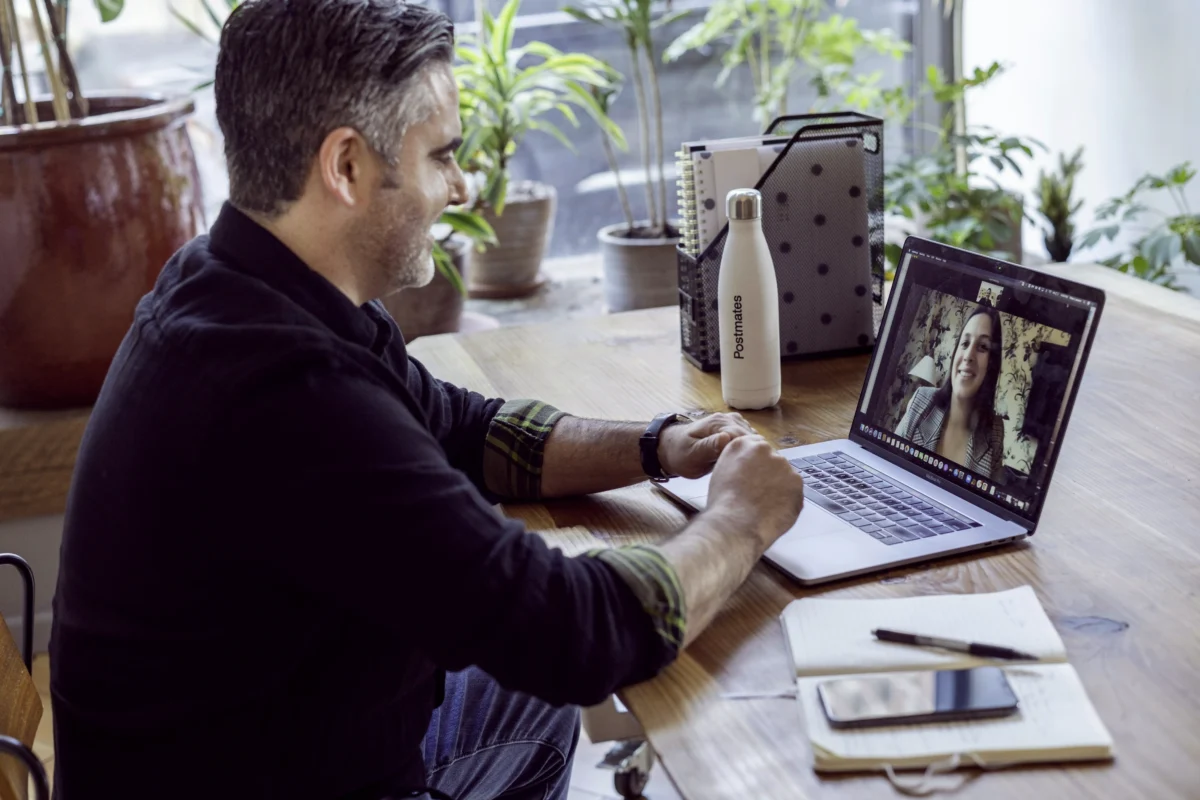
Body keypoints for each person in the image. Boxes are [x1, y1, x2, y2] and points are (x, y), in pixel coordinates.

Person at [47, 1, 806, 798]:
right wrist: (741, 520)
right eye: (442, 155)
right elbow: (575, 634)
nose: (461, 185)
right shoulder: (284, 394)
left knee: (527, 681)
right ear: (345, 167)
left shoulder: (241, 283)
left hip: (270, 739)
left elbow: (464, 428)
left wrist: (657, 444)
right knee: (575, 664)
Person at [895, 304, 1006, 481]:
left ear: (991, 364)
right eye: (965, 343)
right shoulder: (921, 400)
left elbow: (988, 500)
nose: (969, 355)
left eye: (983, 347)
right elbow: (889, 463)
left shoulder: (995, 431)